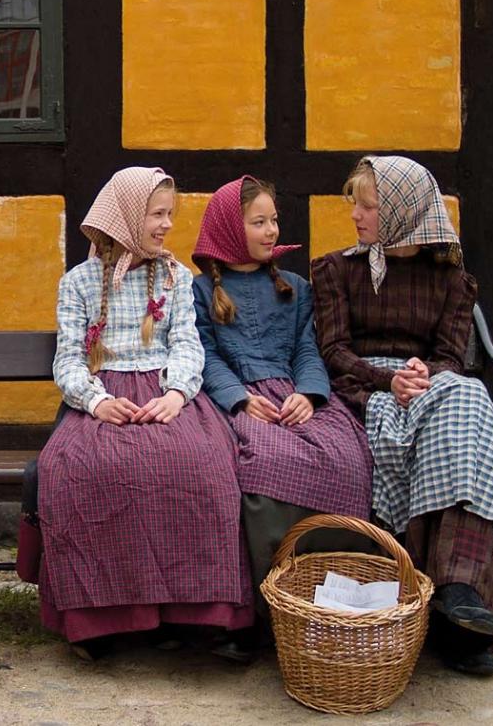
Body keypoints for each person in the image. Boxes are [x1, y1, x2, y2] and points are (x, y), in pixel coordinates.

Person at [309, 155, 493, 677]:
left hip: (433, 388)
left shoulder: (451, 280)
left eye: (367, 206)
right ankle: (459, 603)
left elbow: (451, 359)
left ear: (401, 213)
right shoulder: (336, 270)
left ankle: (458, 600)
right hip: (367, 391)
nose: (356, 216)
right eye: (356, 205)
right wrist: (388, 380)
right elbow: (334, 351)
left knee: (463, 396)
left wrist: (422, 375)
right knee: (474, 413)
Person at [41, 166, 253, 661]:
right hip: (105, 393)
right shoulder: (78, 284)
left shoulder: (176, 278)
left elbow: (187, 344)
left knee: (204, 465)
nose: (166, 225)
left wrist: (178, 393)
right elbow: (69, 359)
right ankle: (103, 619)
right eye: (156, 214)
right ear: (126, 217)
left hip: (165, 391)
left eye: (169, 215)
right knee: (80, 469)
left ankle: (198, 615)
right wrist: (96, 401)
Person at [189, 176, 372, 647]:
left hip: (293, 395)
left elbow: (308, 350)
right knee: (263, 465)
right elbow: (204, 355)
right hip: (236, 400)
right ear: (231, 228)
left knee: (347, 457)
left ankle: (329, 604)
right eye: (259, 222)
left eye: (274, 221)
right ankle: (260, 614)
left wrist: (309, 396)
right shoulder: (200, 292)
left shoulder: (294, 286)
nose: (272, 231)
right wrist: (240, 398)